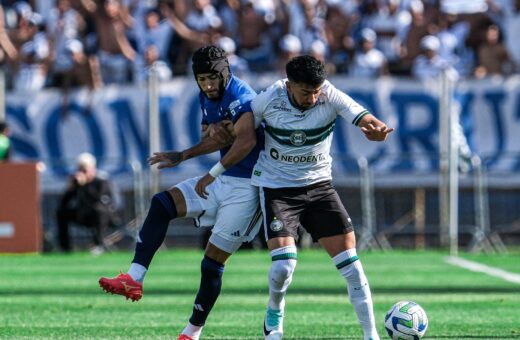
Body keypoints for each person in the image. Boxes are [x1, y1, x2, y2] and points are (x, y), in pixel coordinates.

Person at [99, 45, 263, 340]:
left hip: (246, 188)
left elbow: (246, 141)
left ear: (225, 73)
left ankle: (192, 332)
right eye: (201, 79)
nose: (208, 85)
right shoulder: (206, 96)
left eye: (212, 78)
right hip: (222, 178)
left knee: (211, 262)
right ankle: (134, 278)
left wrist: (212, 168)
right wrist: (184, 155)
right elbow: (210, 136)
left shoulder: (242, 95)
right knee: (162, 203)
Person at [250, 55, 392, 340]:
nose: (313, 98)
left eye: (316, 91)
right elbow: (240, 131)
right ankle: (274, 314)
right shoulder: (267, 100)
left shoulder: (329, 94)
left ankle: (371, 334)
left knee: (351, 264)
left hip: (319, 188)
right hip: (278, 190)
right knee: (283, 266)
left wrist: (376, 130)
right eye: (306, 92)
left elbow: (365, 118)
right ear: (289, 84)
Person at [56, 152, 118, 254]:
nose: (82, 173)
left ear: (92, 169)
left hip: (104, 216)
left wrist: (84, 185)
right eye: (80, 170)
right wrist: (70, 189)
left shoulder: (101, 181)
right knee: (61, 213)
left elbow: (100, 200)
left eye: (84, 170)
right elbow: (64, 203)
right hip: (84, 214)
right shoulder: (77, 182)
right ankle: (65, 248)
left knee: (98, 210)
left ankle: (99, 245)